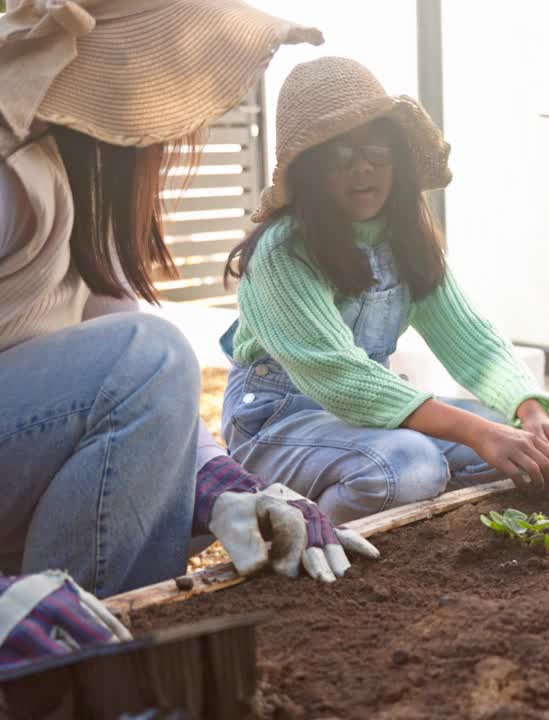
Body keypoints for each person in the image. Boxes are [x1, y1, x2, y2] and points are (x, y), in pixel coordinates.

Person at [0, 0, 378, 670]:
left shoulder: (69, 178)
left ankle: (95, 671)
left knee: (145, 355)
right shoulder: (10, 183)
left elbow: (114, 351)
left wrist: (226, 486)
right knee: (149, 358)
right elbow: (136, 371)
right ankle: (67, 679)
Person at [220, 56, 549, 525]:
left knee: (512, 436)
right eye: (339, 157)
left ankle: (400, 524)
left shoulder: (403, 238)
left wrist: (531, 412)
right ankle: (295, 538)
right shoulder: (282, 253)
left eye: (377, 151)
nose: (363, 168)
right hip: (278, 422)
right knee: (407, 468)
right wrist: (478, 434)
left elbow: (471, 339)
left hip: (364, 420)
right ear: (309, 170)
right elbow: (341, 377)